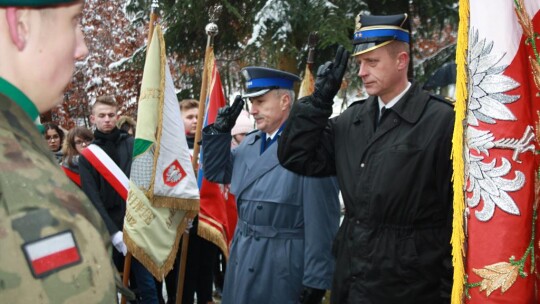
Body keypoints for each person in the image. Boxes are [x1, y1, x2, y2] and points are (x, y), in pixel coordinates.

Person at [278, 13, 454, 303]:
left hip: (408, 286)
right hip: (352, 278)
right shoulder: (353, 119)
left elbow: (454, 223)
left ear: (401, 61)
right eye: (360, 63)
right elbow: (296, 157)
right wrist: (318, 102)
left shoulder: (440, 121)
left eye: (372, 62)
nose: (361, 72)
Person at [0, 0, 119, 302]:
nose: (82, 49)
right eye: (74, 21)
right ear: (21, 25)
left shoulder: (21, 146)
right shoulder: (24, 188)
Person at [202, 67, 340, 304]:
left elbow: (322, 221)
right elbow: (217, 173)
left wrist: (316, 279)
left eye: (260, 101)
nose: (253, 110)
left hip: (282, 265)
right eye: (251, 102)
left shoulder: (309, 148)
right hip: (243, 258)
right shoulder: (251, 143)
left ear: (285, 100)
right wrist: (219, 133)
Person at [79, 95, 158, 303]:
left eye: (111, 115)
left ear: (117, 116)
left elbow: (146, 183)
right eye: (102, 115)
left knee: (147, 286)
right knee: (117, 288)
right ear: (93, 118)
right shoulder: (87, 156)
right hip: (108, 230)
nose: (107, 119)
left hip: (138, 225)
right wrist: (114, 234)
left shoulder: (132, 144)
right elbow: (92, 198)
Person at [156, 98, 218, 304]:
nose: (195, 121)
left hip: (207, 218)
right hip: (180, 223)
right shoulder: (170, 149)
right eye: (190, 117)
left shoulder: (211, 146)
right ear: (179, 119)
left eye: (198, 117)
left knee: (205, 270)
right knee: (183, 276)